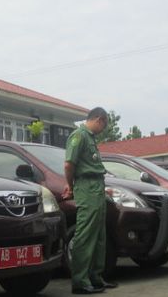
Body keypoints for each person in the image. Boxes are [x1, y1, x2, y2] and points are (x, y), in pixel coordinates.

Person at [63, 107, 117, 294]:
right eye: (104, 125)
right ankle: (80, 281)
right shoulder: (79, 136)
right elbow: (69, 164)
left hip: (97, 187)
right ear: (99, 119)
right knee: (85, 234)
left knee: (99, 235)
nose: (103, 129)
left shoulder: (91, 138)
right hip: (86, 187)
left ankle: (95, 277)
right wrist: (70, 186)